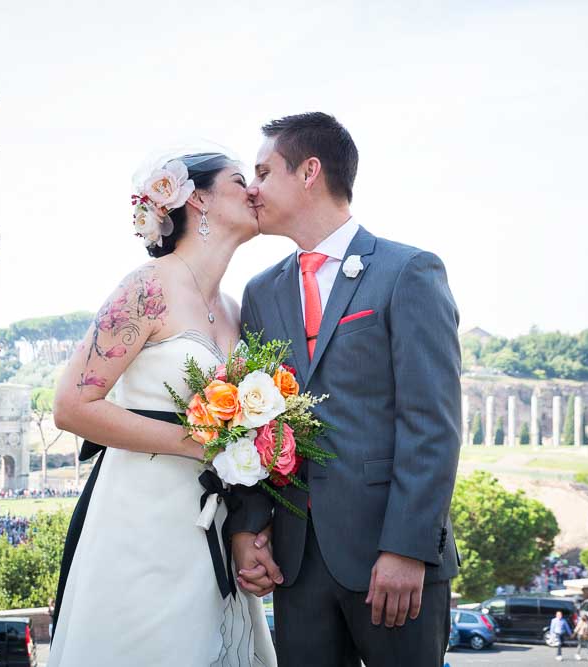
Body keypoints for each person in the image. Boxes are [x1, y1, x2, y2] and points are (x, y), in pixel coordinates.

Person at [228, 112, 462, 666]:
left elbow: (433, 424)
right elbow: (254, 426)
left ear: (310, 171)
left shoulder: (408, 272)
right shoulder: (261, 293)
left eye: (263, 171)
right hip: (297, 566)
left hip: (393, 563)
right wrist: (250, 526)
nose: (251, 188)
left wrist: (405, 549)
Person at [47, 152, 275, 666]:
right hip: (141, 520)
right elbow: (71, 407)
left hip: (211, 525)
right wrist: (202, 443)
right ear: (197, 199)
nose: (255, 191)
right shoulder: (146, 287)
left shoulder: (237, 310)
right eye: (241, 181)